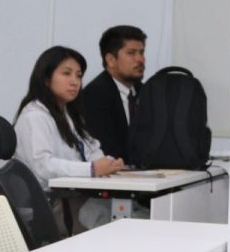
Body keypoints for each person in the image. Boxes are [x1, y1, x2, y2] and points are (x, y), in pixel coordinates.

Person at [14, 46, 124, 231]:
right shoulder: (34, 116)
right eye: (66, 73)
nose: (75, 82)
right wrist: (92, 169)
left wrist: (107, 164)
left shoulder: (67, 113)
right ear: (46, 78)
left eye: (78, 76)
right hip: (52, 203)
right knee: (121, 221)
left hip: (74, 198)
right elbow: (43, 166)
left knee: (128, 215)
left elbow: (90, 147)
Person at [80, 25, 147, 162]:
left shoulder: (147, 92)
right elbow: (107, 149)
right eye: (131, 53)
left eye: (141, 52)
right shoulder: (94, 95)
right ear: (111, 60)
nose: (140, 59)